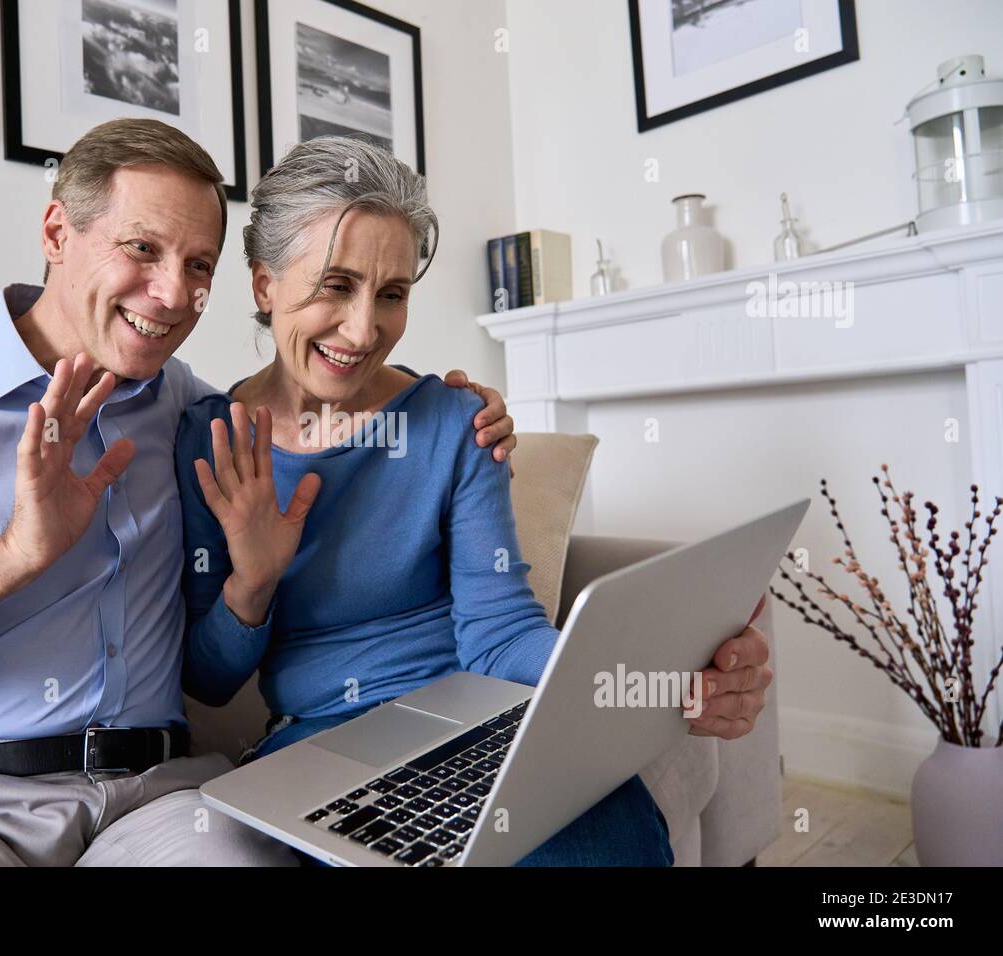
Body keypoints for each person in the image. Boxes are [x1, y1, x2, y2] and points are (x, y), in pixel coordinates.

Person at [0, 118, 516, 867]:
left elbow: (322, 393)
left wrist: (455, 407)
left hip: (159, 804)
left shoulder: (193, 414)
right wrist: (5, 560)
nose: (171, 295)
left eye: (198, 266)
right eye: (142, 249)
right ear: (58, 232)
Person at [176, 136, 772, 866]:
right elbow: (207, 680)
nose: (365, 330)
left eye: (391, 294)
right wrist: (252, 583)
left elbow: (500, 635)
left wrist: (659, 680)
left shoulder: (457, 421)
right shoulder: (209, 441)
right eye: (336, 285)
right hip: (320, 737)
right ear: (265, 284)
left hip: (483, 715)